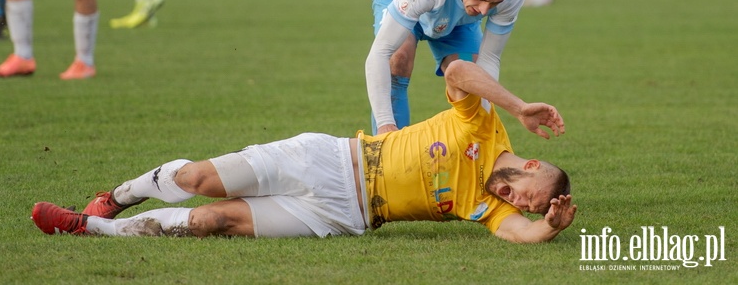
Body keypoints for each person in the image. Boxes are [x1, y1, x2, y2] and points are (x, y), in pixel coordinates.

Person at [31, 59, 576, 243]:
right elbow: (457, 70)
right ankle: (120, 196)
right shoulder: (485, 128)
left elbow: (526, 234)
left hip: (343, 215)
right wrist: (519, 103)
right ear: (531, 164)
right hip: (328, 158)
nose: (516, 202)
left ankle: (86, 227)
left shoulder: (490, 208)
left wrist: (549, 224)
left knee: (211, 221)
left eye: (522, 206)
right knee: (199, 180)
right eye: (528, 195)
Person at [366, 0, 525, 135]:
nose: (485, 11)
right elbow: (380, 53)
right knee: (398, 59)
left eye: (494, 3)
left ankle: (473, 151)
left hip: (460, 17)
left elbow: (490, 57)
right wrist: (384, 122)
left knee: (471, 75)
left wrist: (483, 123)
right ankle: (389, 144)